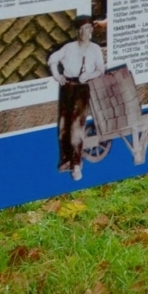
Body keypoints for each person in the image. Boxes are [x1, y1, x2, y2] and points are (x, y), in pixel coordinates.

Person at [48, 15, 105, 177]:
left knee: (76, 125)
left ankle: (76, 164)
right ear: (77, 31)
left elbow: (101, 70)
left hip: (82, 88)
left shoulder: (95, 49)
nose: (83, 32)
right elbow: (52, 60)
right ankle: (65, 160)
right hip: (67, 87)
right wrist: (57, 76)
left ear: (91, 30)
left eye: (87, 28)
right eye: (80, 29)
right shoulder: (69, 47)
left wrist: (89, 75)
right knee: (64, 124)